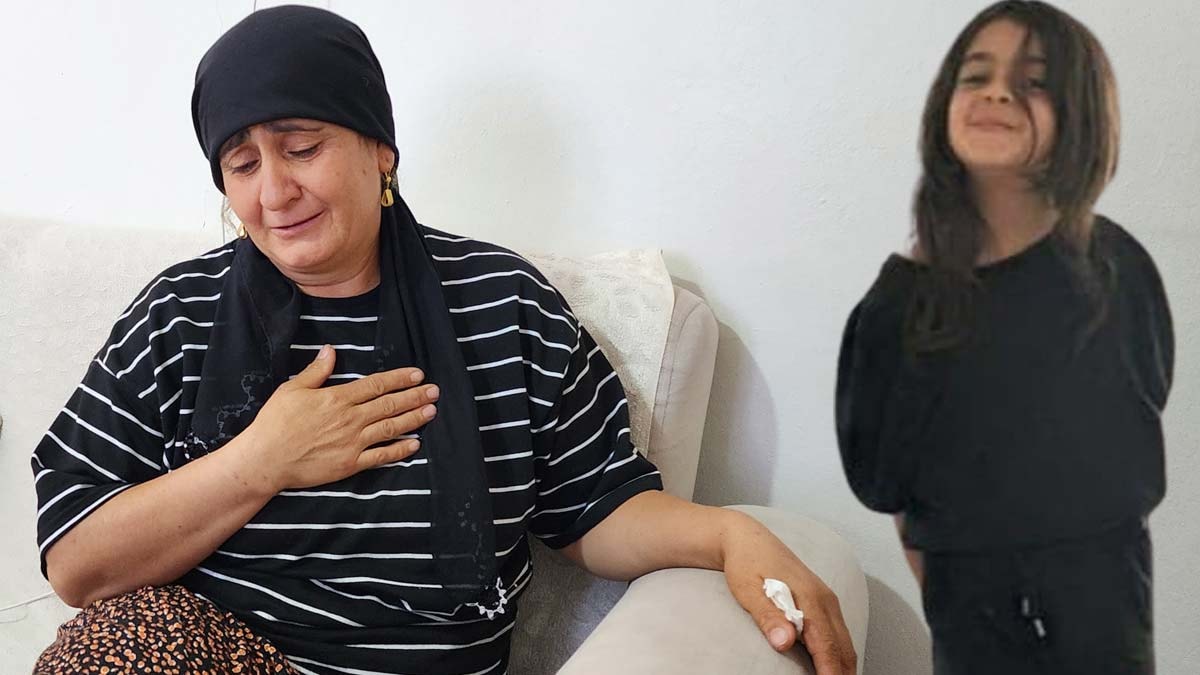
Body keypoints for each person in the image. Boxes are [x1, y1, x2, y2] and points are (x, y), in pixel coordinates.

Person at [32, 6, 855, 674]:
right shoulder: (180, 313)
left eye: (302, 148)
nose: (274, 191)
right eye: (242, 165)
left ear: (380, 150)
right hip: (214, 653)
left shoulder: (504, 305)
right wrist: (262, 459)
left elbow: (597, 505)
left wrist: (728, 533)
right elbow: (76, 561)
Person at [836, 2, 1173, 673]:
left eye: (1033, 81)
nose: (997, 93)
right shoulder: (901, 307)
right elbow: (888, 482)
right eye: (977, 76)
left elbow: (1143, 403)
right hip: (972, 617)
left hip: (1107, 611)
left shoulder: (1118, 271)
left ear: (1081, 112)